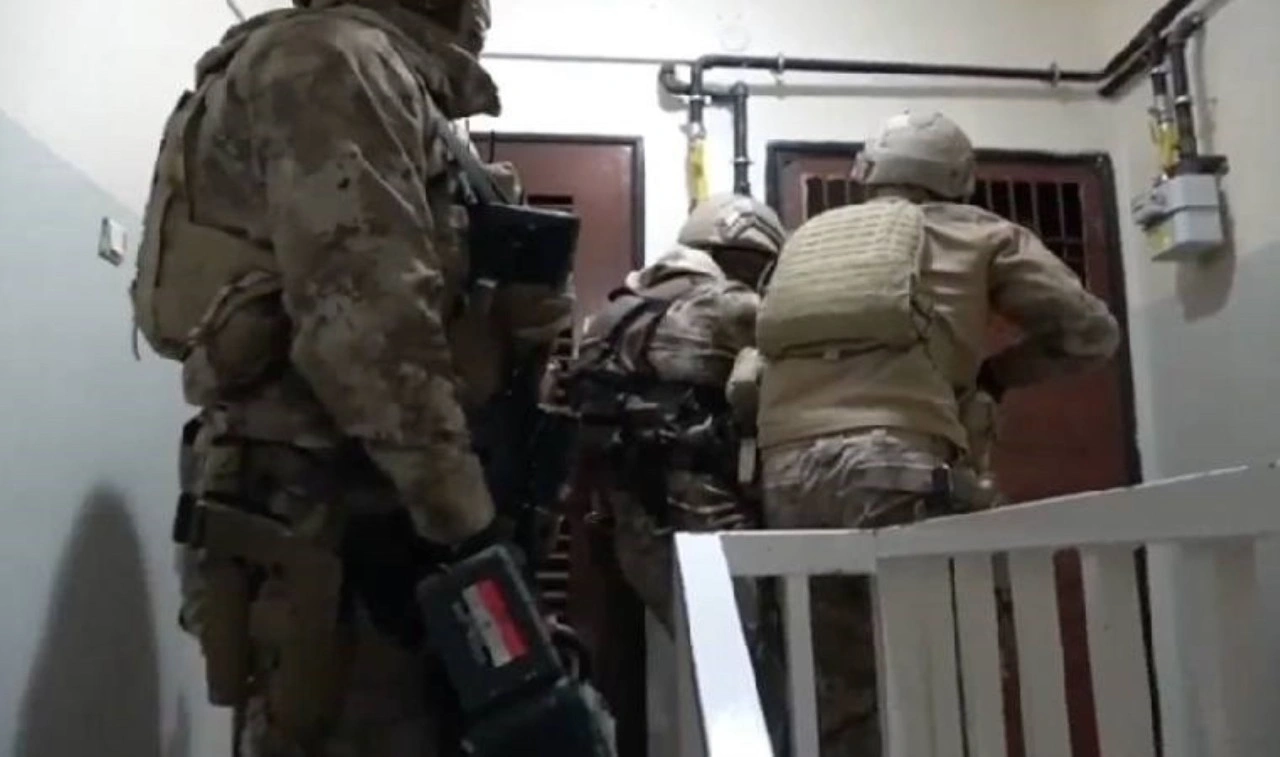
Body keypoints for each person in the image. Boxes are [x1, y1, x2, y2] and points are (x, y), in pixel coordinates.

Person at [130, 1, 596, 755]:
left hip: (391, 519)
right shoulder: (335, 59)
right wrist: (471, 536)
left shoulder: (392, 80)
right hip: (354, 526)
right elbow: (368, 336)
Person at [753, 110, 1121, 755]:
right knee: (954, 670)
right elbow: (1089, 333)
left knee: (836, 690)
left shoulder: (808, 239)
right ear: (957, 175)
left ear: (868, 169)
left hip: (785, 479)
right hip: (897, 470)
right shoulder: (980, 232)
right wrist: (994, 375)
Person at [566, 193, 785, 633]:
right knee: (752, 651)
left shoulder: (614, 312)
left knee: (690, 655)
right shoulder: (731, 306)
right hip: (705, 509)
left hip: (625, 518)